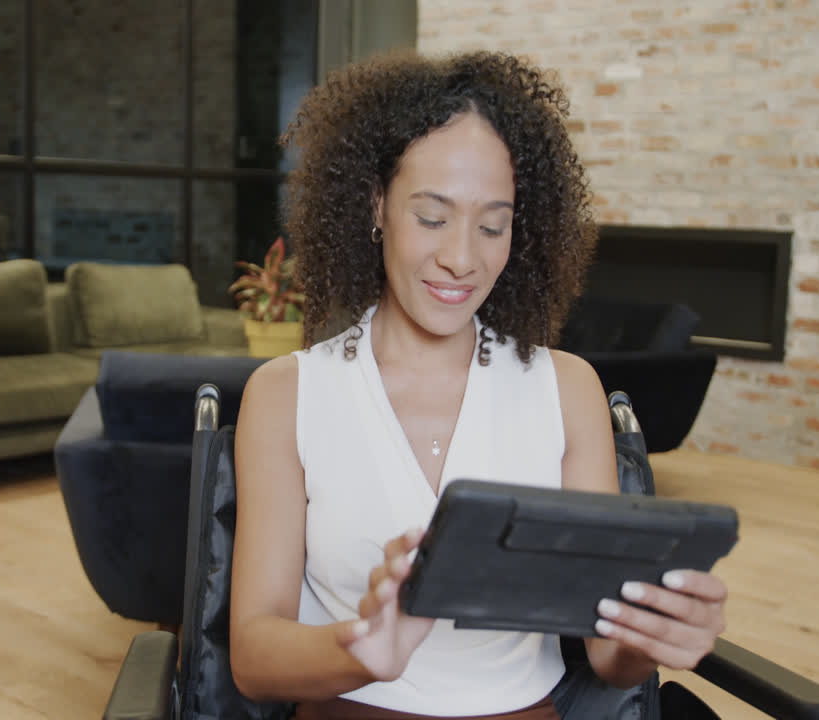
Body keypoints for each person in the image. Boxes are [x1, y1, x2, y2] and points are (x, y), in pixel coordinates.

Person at [229, 50, 728, 720]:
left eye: (493, 225)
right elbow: (254, 658)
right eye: (432, 217)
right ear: (374, 205)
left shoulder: (567, 389)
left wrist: (652, 637)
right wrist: (361, 654)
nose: (463, 257)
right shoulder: (288, 393)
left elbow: (608, 658)